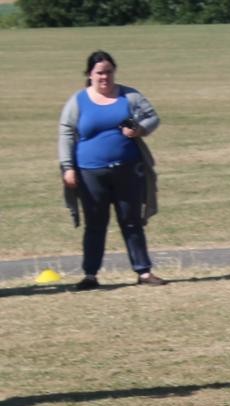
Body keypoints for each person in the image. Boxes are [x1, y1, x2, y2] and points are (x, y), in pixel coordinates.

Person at [58, 50, 165, 290]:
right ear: (89, 74)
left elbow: (153, 117)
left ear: (114, 72)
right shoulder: (78, 101)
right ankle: (90, 275)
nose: (104, 77)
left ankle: (144, 272)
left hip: (127, 169)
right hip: (90, 172)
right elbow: (66, 132)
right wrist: (67, 167)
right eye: (99, 73)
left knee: (131, 221)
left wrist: (139, 129)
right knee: (95, 224)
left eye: (108, 72)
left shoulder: (130, 96)